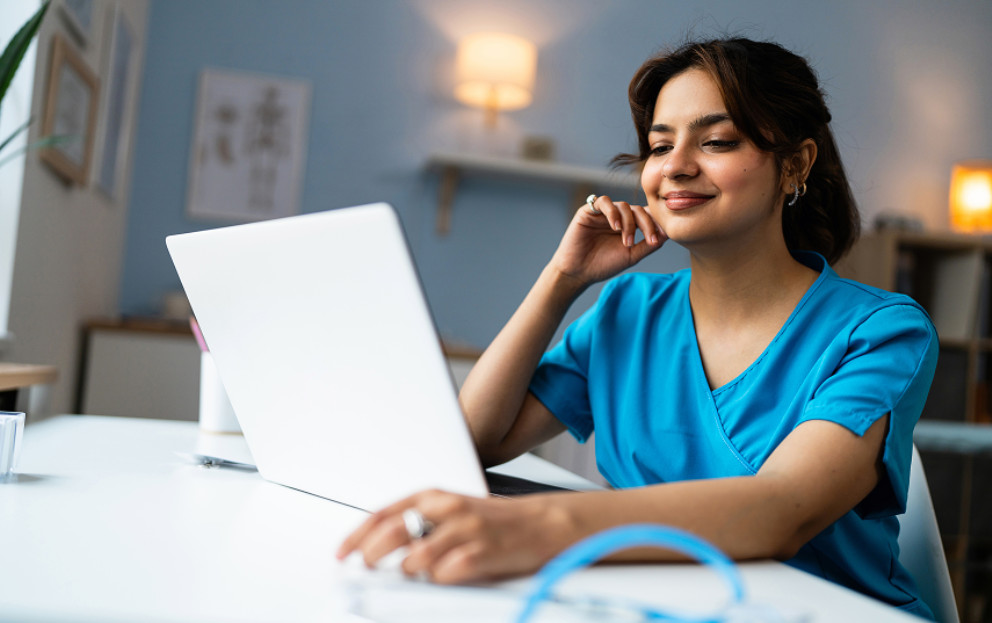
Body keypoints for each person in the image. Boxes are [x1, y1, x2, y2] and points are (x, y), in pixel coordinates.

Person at [337, 37, 938, 619]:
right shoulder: (629, 309)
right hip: (648, 604)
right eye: (658, 146)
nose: (675, 167)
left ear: (795, 165)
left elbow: (781, 510)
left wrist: (533, 527)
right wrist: (561, 280)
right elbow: (474, 441)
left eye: (718, 141)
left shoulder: (879, 331)